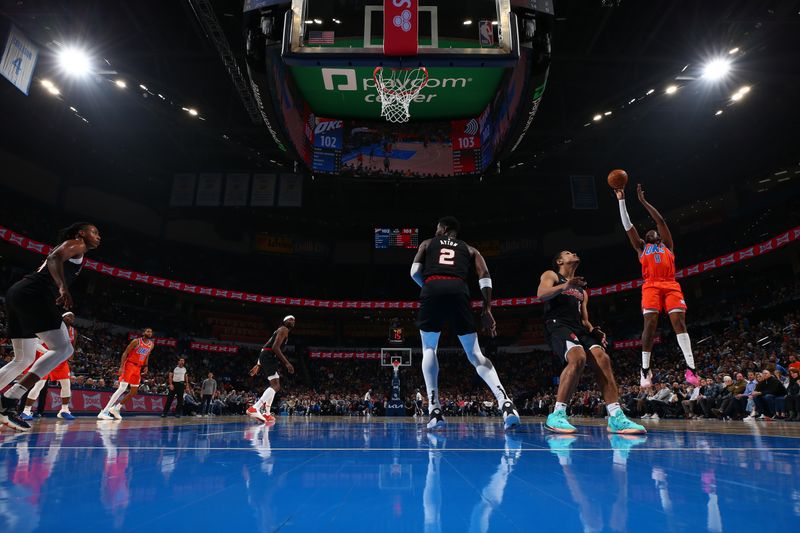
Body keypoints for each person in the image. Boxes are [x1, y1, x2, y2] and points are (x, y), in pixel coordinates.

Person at [410, 216, 519, 431]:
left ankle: (435, 411)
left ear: (442, 228)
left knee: (430, 347)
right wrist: (487, 308)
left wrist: (429, 288)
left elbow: (414, 272)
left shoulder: (427, 243)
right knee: (475, 354)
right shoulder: (470, 249)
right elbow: (484, 274)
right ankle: (505, 403)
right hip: (459, 290)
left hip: (432, 287)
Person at [0, 222, 101, 432]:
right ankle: (9, 401)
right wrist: (62, 286)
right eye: (94, 232)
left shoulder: (78, 250)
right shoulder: (76, 244)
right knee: (64, 348)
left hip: (18, 294)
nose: (98, 237)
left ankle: (6, 403)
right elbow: (54, 257)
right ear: (81, 233)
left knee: (23, 359)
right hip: (34, 296)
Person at [537, 250, 645, 434]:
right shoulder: (551, 274)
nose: (574, 253)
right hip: (558, 324)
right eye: (568, 253)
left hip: (578, 327)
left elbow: (584, 320)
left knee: (602, 358)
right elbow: (541, 294)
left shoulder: (582, 291)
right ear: (560, 260)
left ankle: (616, 416)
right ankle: (557, 415)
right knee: (578, 357)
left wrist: (594, 330)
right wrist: (565, 286)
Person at [615, 183, 699, 387]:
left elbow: (660, 220)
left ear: (659, 236)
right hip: (651, 285)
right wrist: (622, 201)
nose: (651, 231)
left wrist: (643, 201)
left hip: (671, 284)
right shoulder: (641, 248)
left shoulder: (668, 245)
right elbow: (628, 226)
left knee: (679, 322)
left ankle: (691, 369)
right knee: (650, 325)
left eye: (654, 231)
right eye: (648, 232)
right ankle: (645, 370)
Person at [21, 312, 79, 420]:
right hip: (47, 357)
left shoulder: (73, 331)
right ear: (62, 317)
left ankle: (64, 410)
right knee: (39, 385)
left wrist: (70, 355)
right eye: (69, 316)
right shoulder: (52, 327)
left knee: (66, 385)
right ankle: (26, 411)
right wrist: (47, 352)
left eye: (73, 316)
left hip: (61, 360)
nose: (72, 318)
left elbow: (72, 345)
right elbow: (36, 344)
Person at [98, 328, 155, 420]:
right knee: (122, 388)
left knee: (134, 392)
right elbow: (125, 353)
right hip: (130, 365)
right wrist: (121, 366)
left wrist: (146, 366)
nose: (150, 333)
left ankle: (116, 408)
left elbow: (147, 355)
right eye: (148, 331)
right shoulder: (136, 341)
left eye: (151, 332)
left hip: (138, 368)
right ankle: (104, 411)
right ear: (144, 332)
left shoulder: (151, 345)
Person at [248, 316, 296, 423]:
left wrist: (258, 364)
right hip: (269, 356)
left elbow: (265, 347)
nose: (293, 321)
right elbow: (275, 347)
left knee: (275, 384)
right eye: (290, 319)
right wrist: (287, 363)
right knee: (276, 385)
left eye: (294, 320)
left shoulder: (280, 330)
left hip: (266, 356)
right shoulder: (284, 329)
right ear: (284, 321)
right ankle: (255, 408)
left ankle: (267, 413)